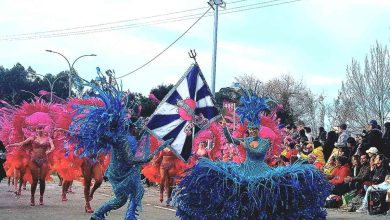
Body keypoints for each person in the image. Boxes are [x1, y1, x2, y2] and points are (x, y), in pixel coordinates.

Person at [173, 91, 331, 219]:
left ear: (258, 130)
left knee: (262, 191)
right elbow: (231, 139)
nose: (252, 132)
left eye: (255, 130)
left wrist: (244, 143)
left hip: (260, 169)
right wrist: (223, 128)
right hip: (245, 167)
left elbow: (258, 152)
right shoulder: (246, 139)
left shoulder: (263, 142)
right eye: (251, 130)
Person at [6, 125, 55, 206]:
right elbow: (21, 143)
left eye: (41, 129)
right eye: (38, 129)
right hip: (33, 160)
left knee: (42, 180)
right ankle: (32, 197)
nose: (40, 130)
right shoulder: (32, 138)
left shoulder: (48, 138)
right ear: (36, 130)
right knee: (35, 180)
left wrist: (49, 150)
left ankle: (41, 197)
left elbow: (53, 146)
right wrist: (10, 145)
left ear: (44, 129)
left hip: (44, 160)